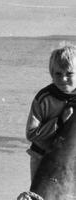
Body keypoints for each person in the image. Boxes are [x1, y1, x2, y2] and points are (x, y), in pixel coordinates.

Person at [26, 44, 76, 181]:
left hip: (69, 159)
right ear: (51, 74)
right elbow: (31, 134)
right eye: (58, 74)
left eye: (69, 73)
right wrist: (59, 121)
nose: (63, 78)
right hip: (41, 157)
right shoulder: (44, 98)